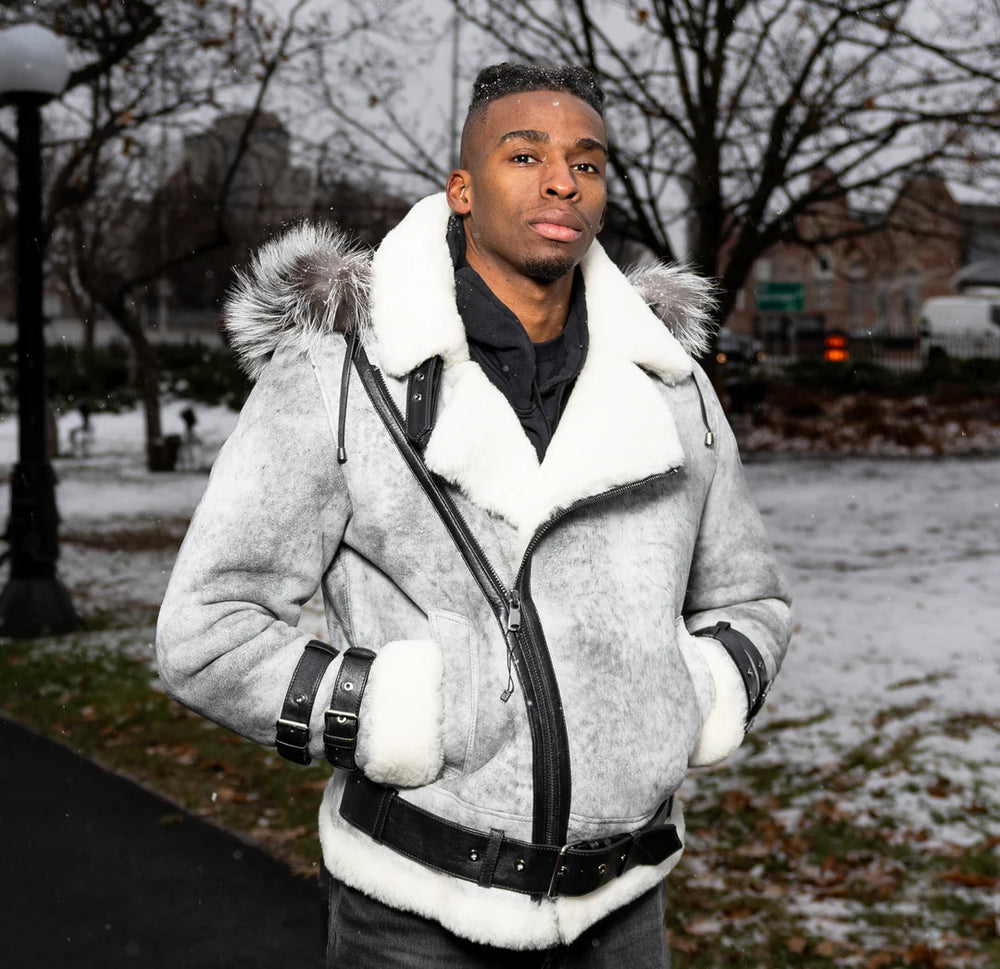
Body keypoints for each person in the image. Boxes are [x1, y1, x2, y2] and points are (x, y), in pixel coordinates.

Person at [156, 62, 792, 968]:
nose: (561, 179)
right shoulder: (343, 376)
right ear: (462, 188)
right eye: (523, 152)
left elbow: (752, 599)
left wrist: (694, 694)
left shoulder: (671, 387)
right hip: (415, 915)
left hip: (627, 908)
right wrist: (395, 713)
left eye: (588, 160)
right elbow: (205, 630)